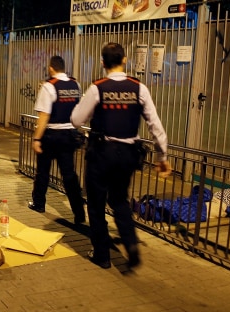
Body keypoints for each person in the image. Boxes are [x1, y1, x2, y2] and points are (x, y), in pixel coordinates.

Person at [70, 42, 172, 270]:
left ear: (103, 63)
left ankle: (102, 255)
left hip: (101, 152)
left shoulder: (98, 87)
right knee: (119, 200)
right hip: (127, 153)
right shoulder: (139, 88)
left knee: (96, 204)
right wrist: (162, 156)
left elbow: (76, 120)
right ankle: (130, 244)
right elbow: (155, 125)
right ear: (125, 60)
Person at [28, 55, 86, 225]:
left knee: (42, 172)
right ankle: (79, 213)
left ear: (51, 68)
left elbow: (44, 116)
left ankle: (38, 204)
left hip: (51, 136)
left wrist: (36, 139)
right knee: (69, 176)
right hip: (69, 136)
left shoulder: (48, 86)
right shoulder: (76, 84)